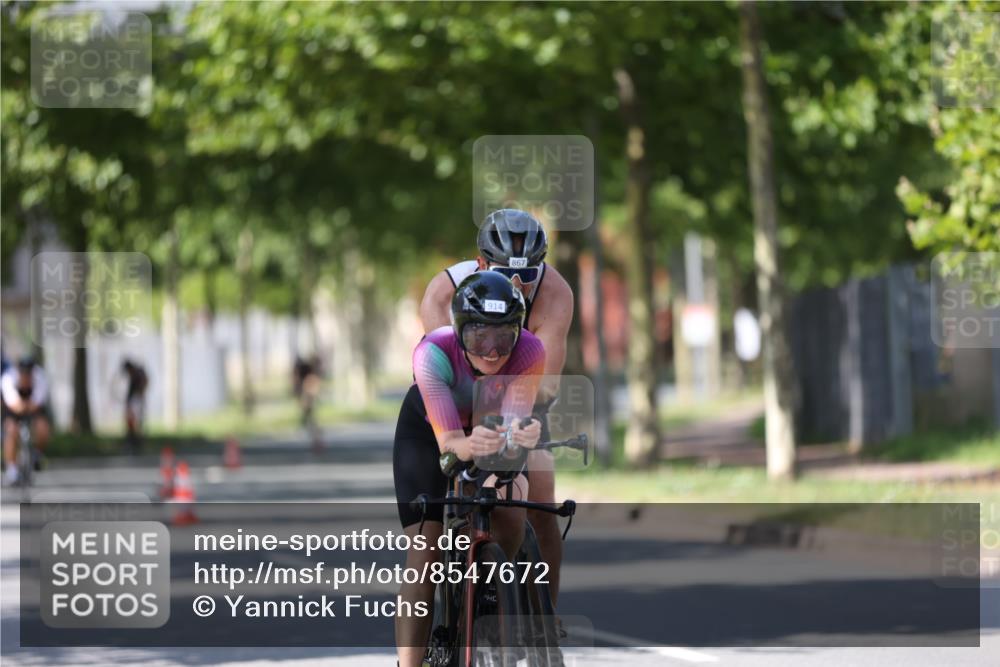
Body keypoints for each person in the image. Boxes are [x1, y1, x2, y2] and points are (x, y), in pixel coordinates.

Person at [419, 208, 573, 605]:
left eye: (529, 274)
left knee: (540, 503)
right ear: (482, 263)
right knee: (450, 498)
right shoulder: (444, 291)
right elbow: (446, 366)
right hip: (459, 399)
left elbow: (545, 385)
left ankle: (546, 623)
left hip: (523, 395)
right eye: (506, 274)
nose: (519, 285)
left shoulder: (555, 293)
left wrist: (512, 431)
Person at [394, 271, 544, 667]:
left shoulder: (530, 351)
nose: (493, 351)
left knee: (512, 508)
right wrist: (468, 443)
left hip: (487, 427)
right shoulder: (432, 353)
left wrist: (521, 435)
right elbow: (449, 447)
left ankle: (494, 586)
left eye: (503, 338)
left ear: (518, 333)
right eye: (481, 337)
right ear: (459, 332)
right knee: (425, 552)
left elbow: (512, 425)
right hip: (430, 434)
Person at [1, 356, 51, 485]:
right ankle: (12, 469)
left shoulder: (40, 377)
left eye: (29, 373)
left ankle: (36, 455)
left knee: (42, 428)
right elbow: (12, 402)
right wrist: (21, 407)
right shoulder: (8, 378)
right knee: (11, 431)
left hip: (33, 408)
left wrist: (28, 407)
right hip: (14, 409)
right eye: (23, 373)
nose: (26, 376)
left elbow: (38, 401)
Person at [121, 359, 148, 453]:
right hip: (133, 401)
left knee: (136, 422)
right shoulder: (135, 376)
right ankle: (133, 442)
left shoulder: (137, 375)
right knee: (131, 423)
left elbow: (141, 387)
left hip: (136, 402)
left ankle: (137, 443)